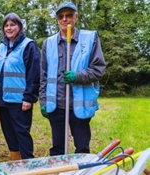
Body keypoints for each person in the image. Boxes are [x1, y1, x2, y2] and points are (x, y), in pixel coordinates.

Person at [39, 2, 106, 156]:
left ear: (76, 17)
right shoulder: (48, 44)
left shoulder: (89, 39)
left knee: (82, 148)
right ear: (57, 20)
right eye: (61, 16)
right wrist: (43, 101)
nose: (65, 19)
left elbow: (98, 70)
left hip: (79, 105)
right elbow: (43, 76)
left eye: (69, 15)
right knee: (57, 148)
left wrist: (78, 76)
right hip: (56, 106)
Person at [0, 13, 40, 160]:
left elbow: (34, 73)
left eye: (12, 25)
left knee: (22, 133)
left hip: (20, 101)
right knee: (9, 133)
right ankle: (15, 159)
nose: (9, 28)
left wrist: (29, 98)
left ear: (19, 27)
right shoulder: (1, 47)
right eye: (6, 25)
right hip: (2, 100)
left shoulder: (28, 45)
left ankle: (27, 163)